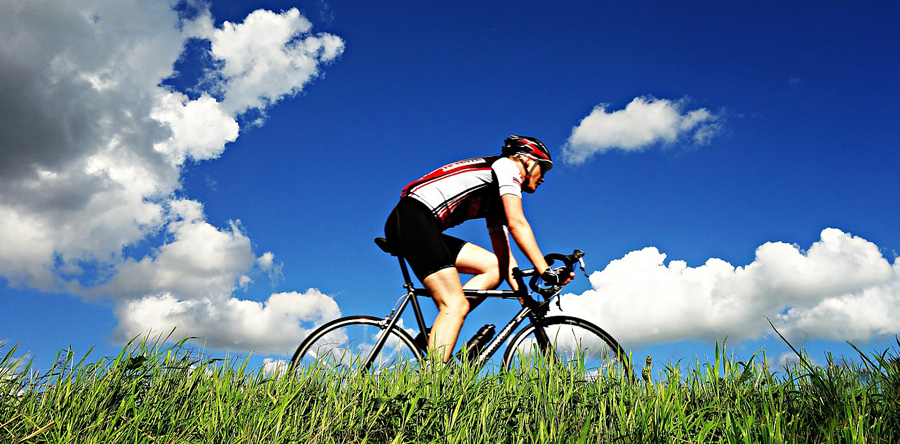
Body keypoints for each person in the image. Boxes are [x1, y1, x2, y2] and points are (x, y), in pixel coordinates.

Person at [384, 135, 572, 363]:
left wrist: (522, 292)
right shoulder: (507, 166)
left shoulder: (495, 195)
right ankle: (431, 385)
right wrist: (545, 270)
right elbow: (517, 223)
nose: (543, 178)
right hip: (413, 218)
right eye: (542, 168)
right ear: (526, 160)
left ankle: (437, 330)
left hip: (418, 223)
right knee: (454, 304)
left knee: (493, 267)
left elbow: (504, 256)